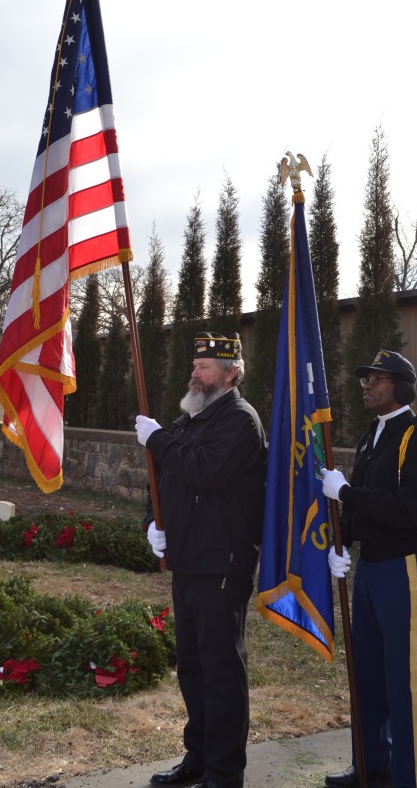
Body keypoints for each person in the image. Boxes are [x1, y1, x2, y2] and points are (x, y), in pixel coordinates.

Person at [135, 331, 268, 788]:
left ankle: (225, 772)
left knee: (221, 671)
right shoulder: (190, 419)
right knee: (191, 666)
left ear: (230, 374)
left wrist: (157, 441)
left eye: (205, 366)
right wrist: (152, 522)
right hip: (188, 560)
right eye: (195, 364)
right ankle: (198, 757)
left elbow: (203, 471)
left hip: (222, 564)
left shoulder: (240, 421)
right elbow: (165, 478)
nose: (194, 371)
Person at [320, 349, 417, 788]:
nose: (366, 385)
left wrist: (349, 494)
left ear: (402, 386)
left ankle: (410, 779)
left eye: (377, 378)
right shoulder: (370, 436)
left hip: (405, 567)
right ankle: (372, 764)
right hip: (372, 569)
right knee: (368, 674)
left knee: (403, 681)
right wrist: (343, 543)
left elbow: (410, 509)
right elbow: (364, 505)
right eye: (365, 378)